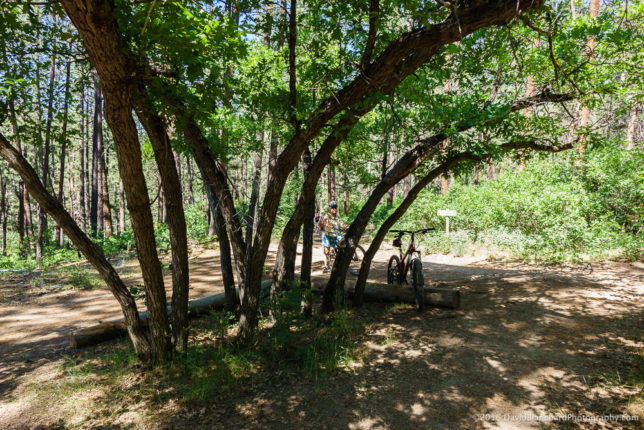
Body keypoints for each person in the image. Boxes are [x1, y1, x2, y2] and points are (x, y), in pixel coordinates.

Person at [318, 201, 348, 272]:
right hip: (327, 236)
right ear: (330, 208)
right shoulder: (326, 216)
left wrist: (346, 226)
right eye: (332, 207)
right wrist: (324, 225)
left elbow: (341, 224)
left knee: (341, 243)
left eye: (335, 207)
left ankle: (337, 258)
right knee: (326, 252)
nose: (334, 209)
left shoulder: (337, 217)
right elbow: (321, 224)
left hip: (334, 235)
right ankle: (326, 266)